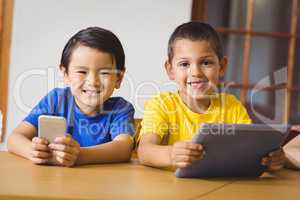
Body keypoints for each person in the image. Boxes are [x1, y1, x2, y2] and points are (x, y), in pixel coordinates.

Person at [137, 22, 285, 172]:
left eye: (206, 62)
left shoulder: (231, 106)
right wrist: (171, 154)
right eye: (184, 64)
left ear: (221, 67)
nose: (196, 72)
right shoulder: (161, 105)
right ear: (170, 70)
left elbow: (250, 152)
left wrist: (270, 161)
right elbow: (144, 151)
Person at [7, 27, 135, 167]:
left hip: (100, 185)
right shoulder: (56, 100)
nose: (92, 81)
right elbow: (14, 139)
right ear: (65, 74)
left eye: (104, 73)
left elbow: (124, 148)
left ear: (119, 78)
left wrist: (79, 155)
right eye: (82, 71)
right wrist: (31, 151)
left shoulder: (120, 109)